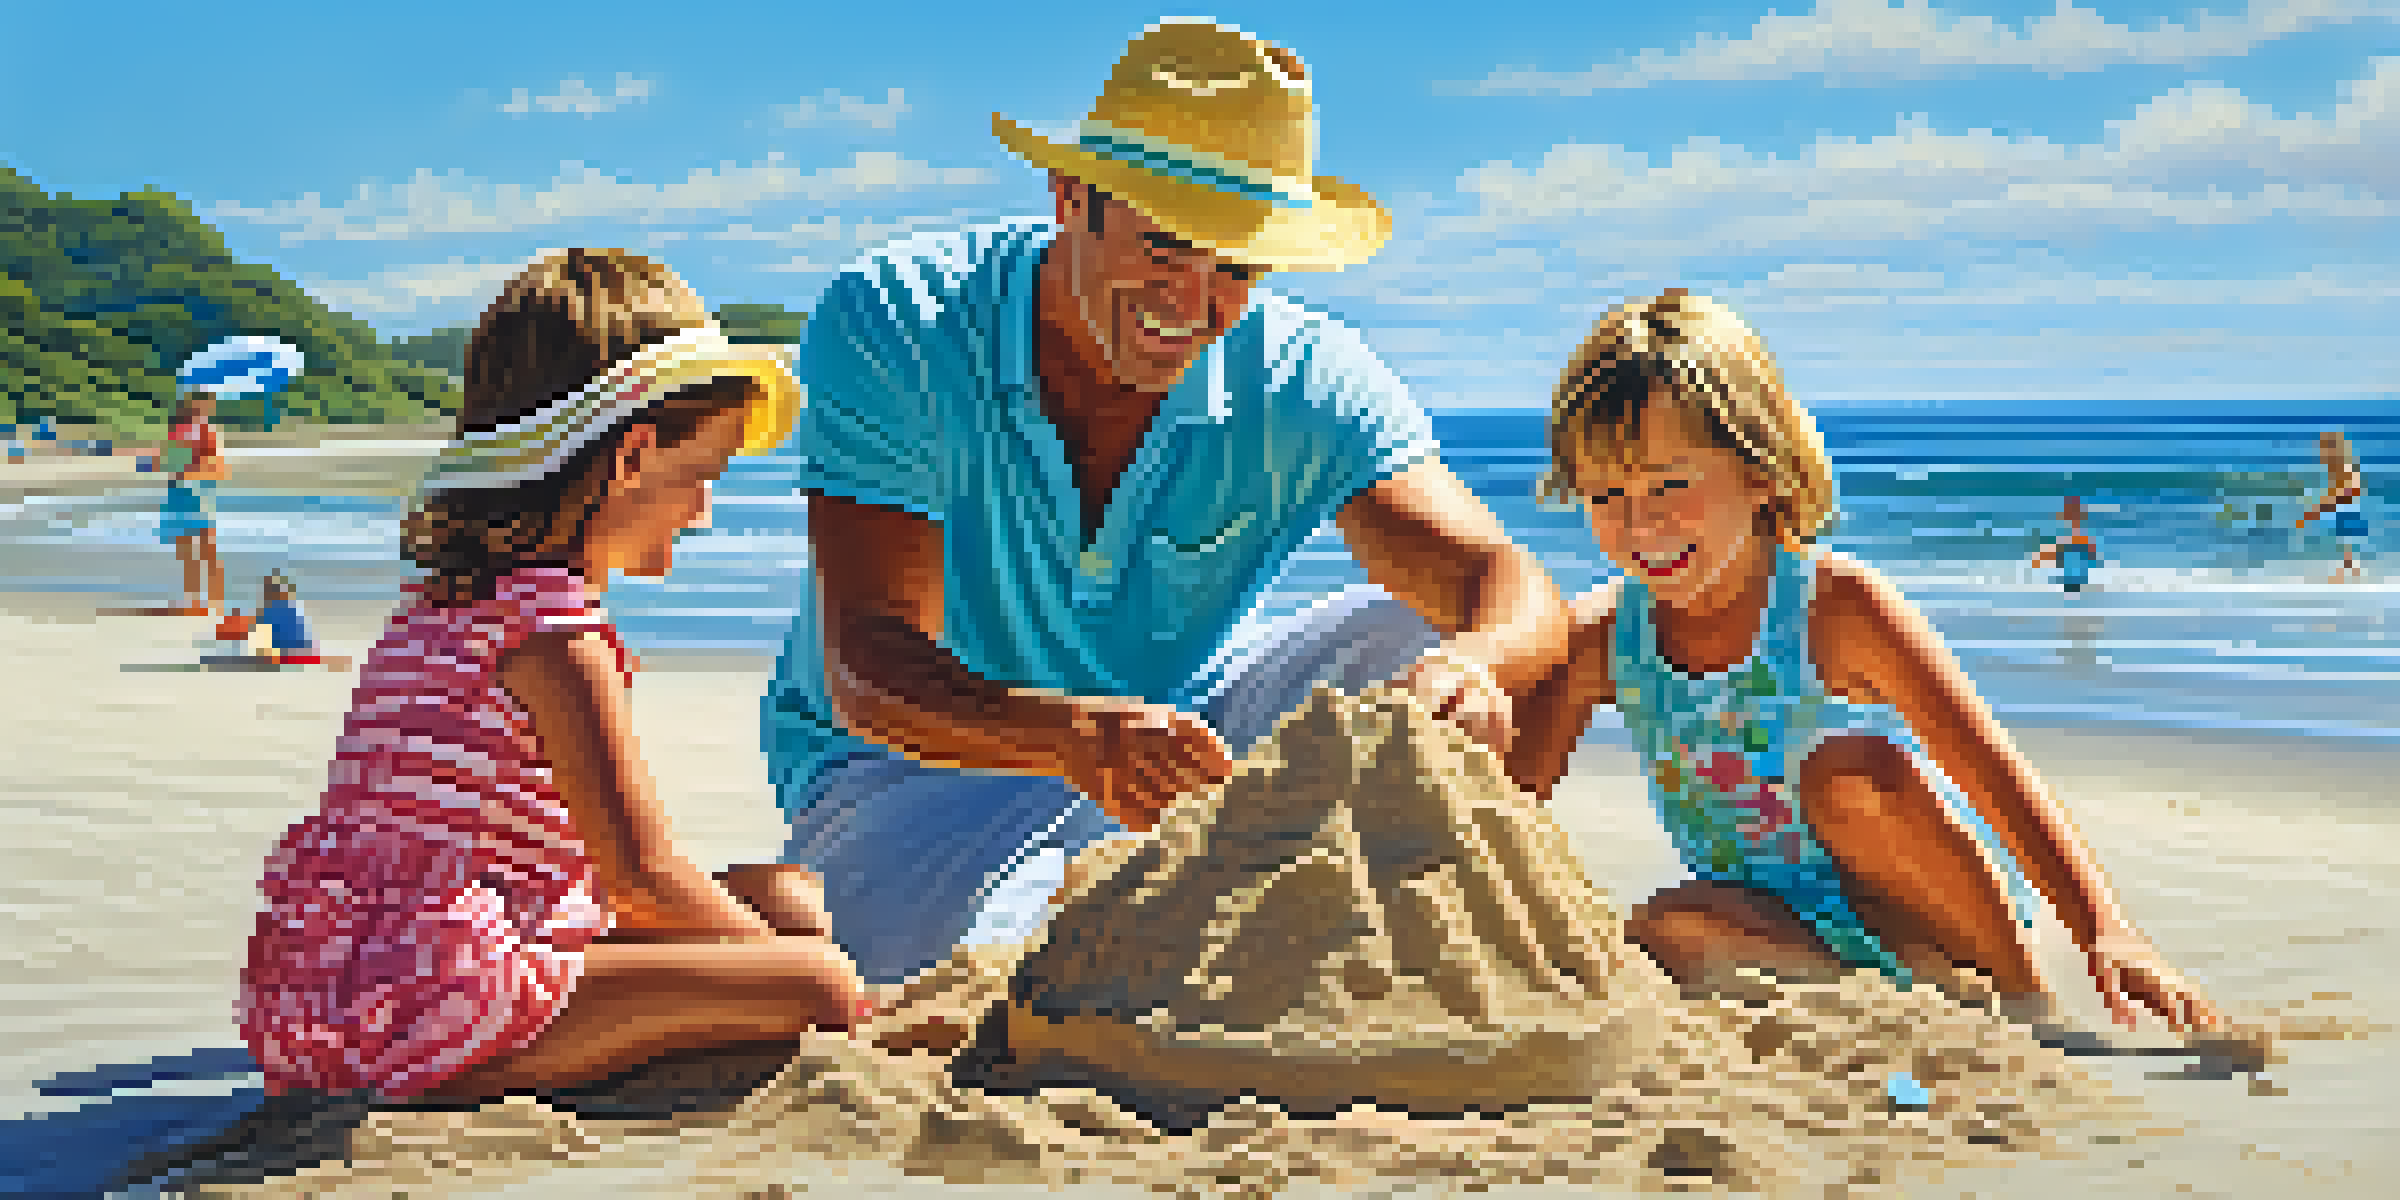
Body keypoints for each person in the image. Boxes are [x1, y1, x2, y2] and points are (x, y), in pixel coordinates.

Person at [762, 19, 1569, 985]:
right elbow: (869, 669)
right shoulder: (900, 319)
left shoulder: (1308, 371)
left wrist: (1471, 669)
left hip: (1185, 752)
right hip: (917, 778)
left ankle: (1445, 936)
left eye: (1236, 267)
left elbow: (1505, 579)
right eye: (1165, 247)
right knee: (1026, 971)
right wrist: (1075, 736)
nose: (1193, 301)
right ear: (1072, 198)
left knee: (1450, 639)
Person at [240, 249, 868, 1105]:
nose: (704, 510)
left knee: (785, 898)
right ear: (632, 457)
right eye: (700, 478)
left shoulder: (444, 603)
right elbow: (639, 878)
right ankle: (450, 1078)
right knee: (818, 983)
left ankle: (445, 1051)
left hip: (356, 979)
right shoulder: (553, 632)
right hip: (429, 998)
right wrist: (806, 983)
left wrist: (757, 942)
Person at [1504, 289, 2222, 1035]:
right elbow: (1507, 813)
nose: (1639, 520)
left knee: (1850, 776)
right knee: (1664, 924)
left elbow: (1990, 769)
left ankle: (2022, 1001)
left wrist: (2104, 928)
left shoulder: (1836, 608)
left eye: (1670, 484)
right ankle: (1890, 1003)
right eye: (1605, 495)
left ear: (1761, 470)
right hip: (1788, 926)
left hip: (1940, 905)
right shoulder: (1603, 638)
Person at [158, 389, 228, 616]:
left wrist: (192, 470)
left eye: (206, 401)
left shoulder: (209, 430)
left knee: (208, 549)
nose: (202, 405)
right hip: (178, 492)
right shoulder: (178, 428)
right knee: (187, 550)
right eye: (198, 400)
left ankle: (217, 601)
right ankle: (194, 601)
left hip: (200, 492)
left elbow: (218, 469)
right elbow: (168, 464)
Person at [2296, 430, 2368, 583]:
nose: (2321, 455)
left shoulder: (2345, 466)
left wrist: (2320, 508)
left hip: (2346, 506)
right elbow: (2339, 492)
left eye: (2324, 449)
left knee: (2347, 536)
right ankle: (2348, 569)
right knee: (2344, 537)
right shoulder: (2337, 467)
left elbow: (2347, 492)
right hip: (2343, 505)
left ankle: (2350, 570)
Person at [2029, 496, 2101, 593]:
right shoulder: (2066, 532)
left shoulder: (2082, 534)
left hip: (2074, 562)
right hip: (2070, 561)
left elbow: (2091, 555)